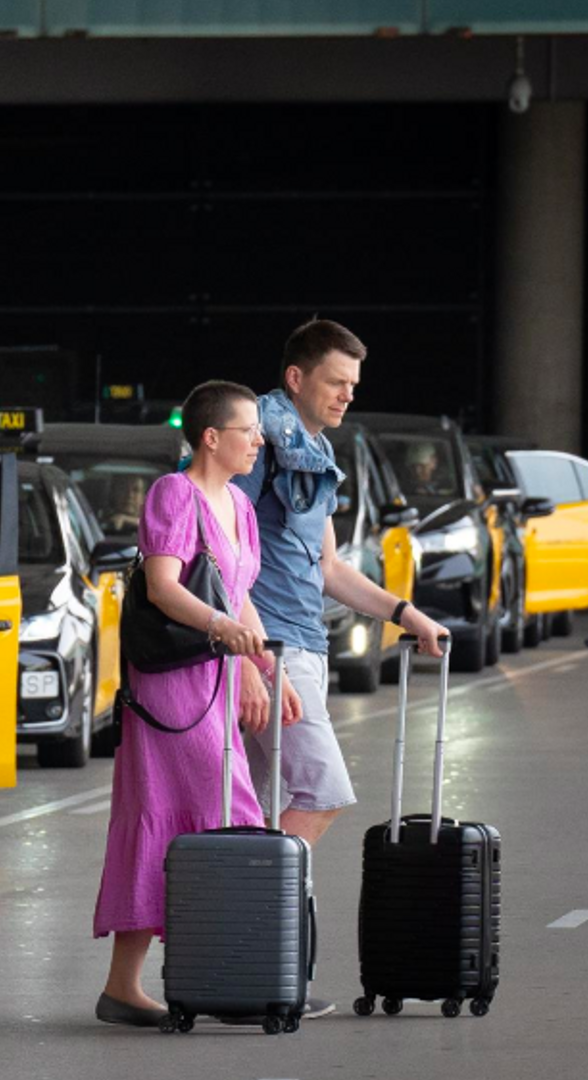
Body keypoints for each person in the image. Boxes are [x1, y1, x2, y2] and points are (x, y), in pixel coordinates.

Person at [232, 319, 447, 1020]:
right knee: (321, 793)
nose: (347, 396)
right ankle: (246, 924)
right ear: (296, 377)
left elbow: (326, 569)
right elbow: (216, 545)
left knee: (271, 805)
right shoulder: (257, 435)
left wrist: (404, 613)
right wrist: (249, 655)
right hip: (272, 651)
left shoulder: (316, 452)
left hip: (303, 646)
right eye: (335, 382)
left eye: (354, 386)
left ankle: (260, 965)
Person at [93, 380, 297, 1027]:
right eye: (249, 431)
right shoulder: (174, 493)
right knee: (221, 808)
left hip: (213, 675)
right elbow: (162, 587)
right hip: (172, 688)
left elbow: (238, 595)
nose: (259, 441)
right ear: (212, 437)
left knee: (191, 814)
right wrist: (225, 635)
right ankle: (228, 972)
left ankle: (135, 985)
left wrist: (264, 662)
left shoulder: (237, 504)